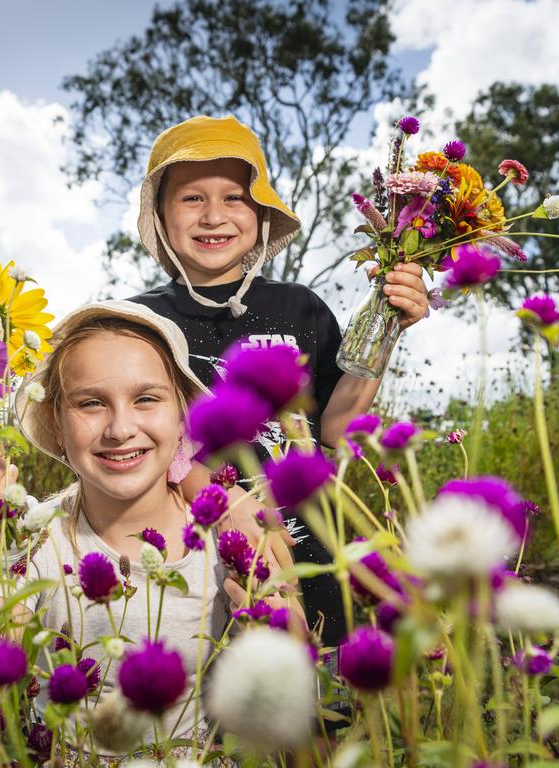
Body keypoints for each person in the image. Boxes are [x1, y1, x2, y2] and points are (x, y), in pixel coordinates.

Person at [0, 300, 299, 760]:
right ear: (57, 426)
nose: (121, 428)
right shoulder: (38, 540)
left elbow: (286, 689)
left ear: (183, 419)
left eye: (146, 398)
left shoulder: (225, 542)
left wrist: (283, 639)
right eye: (91, 403)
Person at [127, 115, 430, 647]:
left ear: (261, 213)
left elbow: (335, 428)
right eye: (191, 198)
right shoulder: (138, 323)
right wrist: (230, 511)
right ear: (161, 215)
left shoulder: (299, 309)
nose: (214, 216)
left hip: (311, 546)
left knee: (321, 704)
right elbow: (144, 450)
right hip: (194, 557)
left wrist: (388, 325)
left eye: (235, 198)